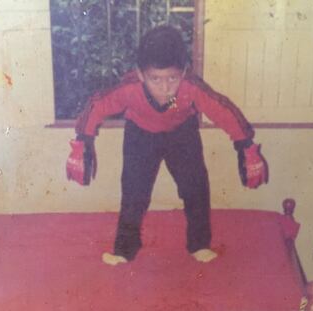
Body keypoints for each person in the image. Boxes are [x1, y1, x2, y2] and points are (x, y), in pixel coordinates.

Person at [66, 25, 268, 266]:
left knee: (195, 188)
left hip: (181, 133)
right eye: (155, 79)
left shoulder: (190, 88)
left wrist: (245, 145)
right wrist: (82, 142)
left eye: (172, 78)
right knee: (134, 192)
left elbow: (222, 109)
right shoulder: (129, 89)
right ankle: (125, 248)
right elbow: (97, 105)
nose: (164, 88)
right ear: (140, 74)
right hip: (140, 135)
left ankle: (199, 244)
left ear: (183, 72)